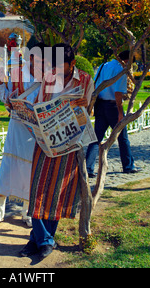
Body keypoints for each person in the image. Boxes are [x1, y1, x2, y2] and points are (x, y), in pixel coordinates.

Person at [20, 43, 94, 260]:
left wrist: (84, 104)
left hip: (69, 141)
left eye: (62, 68)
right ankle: (43, 240)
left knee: (56, 192)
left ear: (73, 63)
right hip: (45, 141)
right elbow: (40, 104)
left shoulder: (86, 80)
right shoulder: (48, 77)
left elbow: (88, 109)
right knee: (37, 189)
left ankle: (39, 240)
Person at [0, 43, 45, 229]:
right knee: (8, 168)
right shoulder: (17, 72)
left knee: (32, 171)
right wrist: (1, 82)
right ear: (31, 57)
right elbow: (6, 98)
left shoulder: (50, 78)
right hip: (17, 127)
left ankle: (27, 211)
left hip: (36, 130)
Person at [86, 51, 141, 177]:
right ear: (127, 61)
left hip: (100, 105)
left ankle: (88, 168)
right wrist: (120, 112)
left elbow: (94, 85)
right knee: (123, 137)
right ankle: (128, 166)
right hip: (113, 106)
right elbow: (117, 93)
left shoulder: (102, 66)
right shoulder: (120, 70)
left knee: (96, 138)